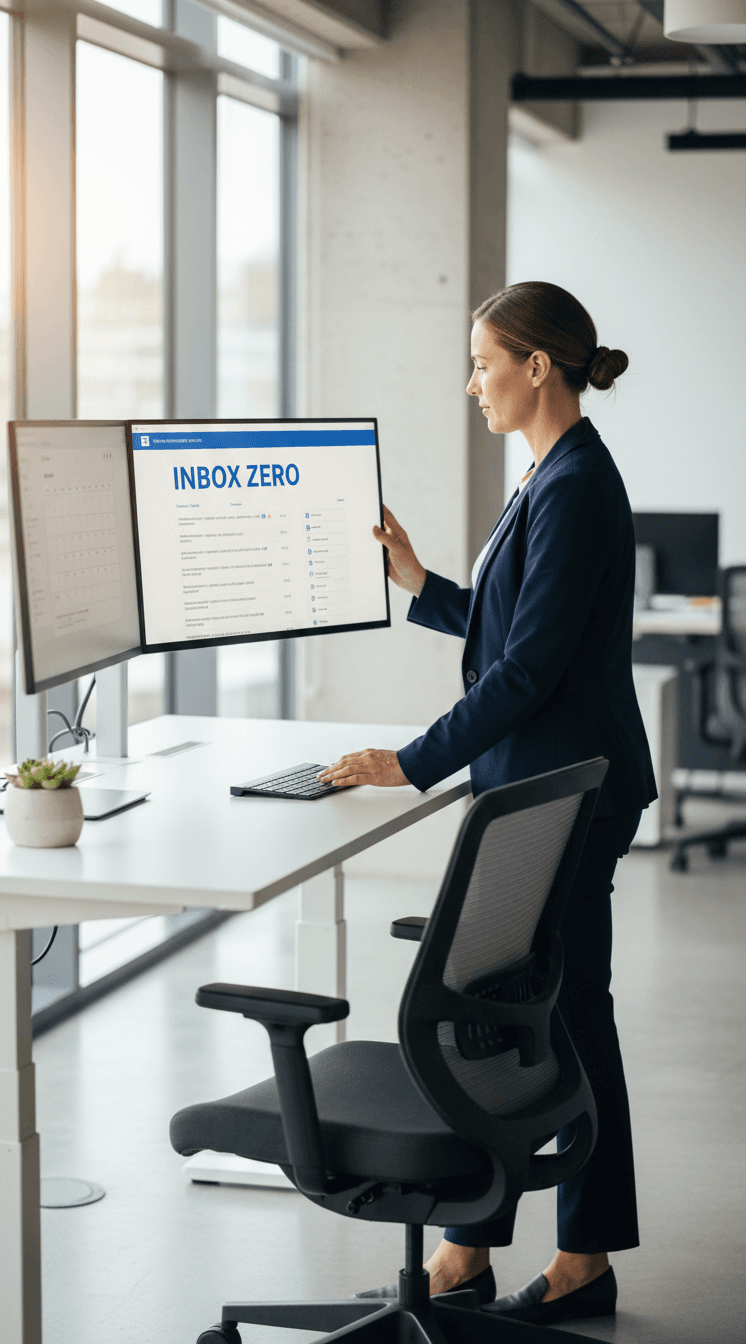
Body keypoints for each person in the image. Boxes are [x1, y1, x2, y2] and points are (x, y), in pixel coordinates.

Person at [317, 281, 657, 1327]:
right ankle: (474, 1247)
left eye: (482, 362)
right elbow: (510, 636)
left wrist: (411, 760)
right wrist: (420, 582)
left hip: (561, 796)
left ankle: (574, 1259)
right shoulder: (551, 477)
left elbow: (526, 677)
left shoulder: (575, 488)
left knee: (554, 1022)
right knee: (521, 1023)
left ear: (536, 367)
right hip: (543, 791)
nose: (473, 383)